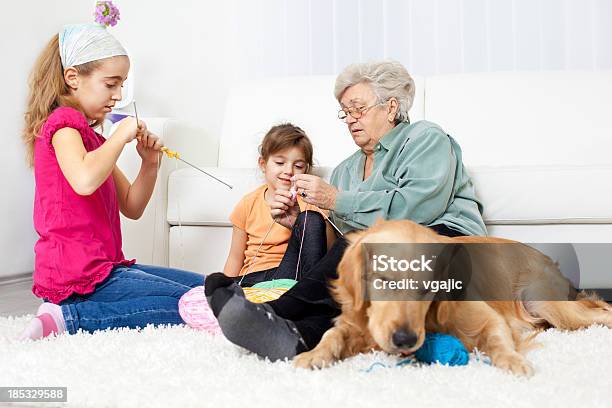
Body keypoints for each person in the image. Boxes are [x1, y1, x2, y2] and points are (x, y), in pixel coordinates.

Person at [204, 60, 487, 361]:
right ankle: (297, 337)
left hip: (444, 244)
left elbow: (418, 208)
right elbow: (336, 247)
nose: (351, 119)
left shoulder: (424, 138)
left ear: (391, 108)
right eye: (345, 112)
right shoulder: (345, 171)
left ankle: (276, 311)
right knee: (349, 274)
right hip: (383, 262)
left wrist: (337, 200)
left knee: (365, 248)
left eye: (358, 109)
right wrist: (296, 224)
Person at [19, 24, 203, 341]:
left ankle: (67, 312)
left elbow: (132, 205)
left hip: (105, 270)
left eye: (122, 85)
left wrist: (149, 162)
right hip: (77, 276)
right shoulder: (63, 124)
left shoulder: (91, 139)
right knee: (200, 304)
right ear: (72, 78)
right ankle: (67, 318)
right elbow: (85, 180)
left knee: (207, 288)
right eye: (111, 84)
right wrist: (120, 134)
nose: (118, 96)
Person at [179, 124, 330, 331]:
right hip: (255, 280)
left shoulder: (312, 202)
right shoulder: (248, 203)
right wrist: (224, 287)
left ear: (306, 170)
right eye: (279, 162)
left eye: (298, 166)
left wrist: (298, 220)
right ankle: (241, 307)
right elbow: (235, 257)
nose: (288, 171)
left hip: (294, 280)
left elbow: (326, 254)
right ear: (263, 164)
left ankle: (308, 312)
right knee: (214, 282)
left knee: (311, 219)